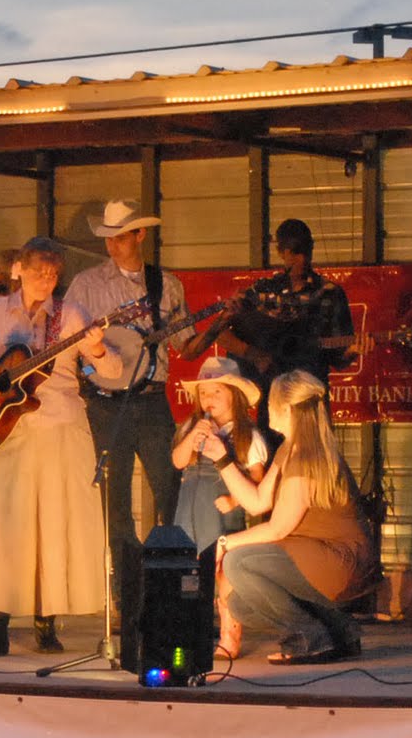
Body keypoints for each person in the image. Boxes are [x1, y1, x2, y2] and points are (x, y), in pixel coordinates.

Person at [0, 236, 122, 656]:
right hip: (8, 430)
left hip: (61, 426)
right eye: (39, 271)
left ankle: (47, 622)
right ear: (18, 270)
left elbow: (110, 369)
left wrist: (94, 346)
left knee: (54, 523)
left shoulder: (70, 313)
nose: (47, 280)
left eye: (54, 274)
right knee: (5, 528)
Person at [68, 198, 194, 604]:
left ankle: (167, 587)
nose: (112, 246)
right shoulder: (86, 285)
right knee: (115, 501)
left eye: (120, 237)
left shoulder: (166, 284)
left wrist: (221, 324)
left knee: (170, 489)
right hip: (106, 404)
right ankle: (128, 597)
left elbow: (184, 343)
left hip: (153, 399)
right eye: (108, 238)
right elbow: (67, 344)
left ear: (140, 235)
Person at [207, 370, 373, 664]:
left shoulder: (308, 457)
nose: (267, 409)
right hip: (314, 556)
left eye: (271, 402)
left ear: (286, 408)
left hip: (338, 560)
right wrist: (223, 460)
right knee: (242, 605)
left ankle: (308, 638)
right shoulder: (289, 448)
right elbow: (257, 503)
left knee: (238, 561)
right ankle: (341, 631)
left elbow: (277, 528)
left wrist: (225, 542)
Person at [189, 218, 355, 403]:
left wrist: (355, 349)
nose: (301, 259)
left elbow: (339, 359)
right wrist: (254, 355)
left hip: (311, 393)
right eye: (294, 252)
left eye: (305, 252)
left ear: (312, 249)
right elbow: (221, 334)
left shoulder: (330, 293)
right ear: (280, 252)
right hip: (269, 390)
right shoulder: (263, 290)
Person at [170, 356, 268, 555]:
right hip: (188, 511)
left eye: (217, 391)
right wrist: (192, 437)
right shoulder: (193, 426)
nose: (209, 398)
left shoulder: (247, 434)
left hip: (221, 515)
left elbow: (258, 478)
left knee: (218, 562)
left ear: (235, 394)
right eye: (203, 393)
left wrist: (233, 500)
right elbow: (178, 462)